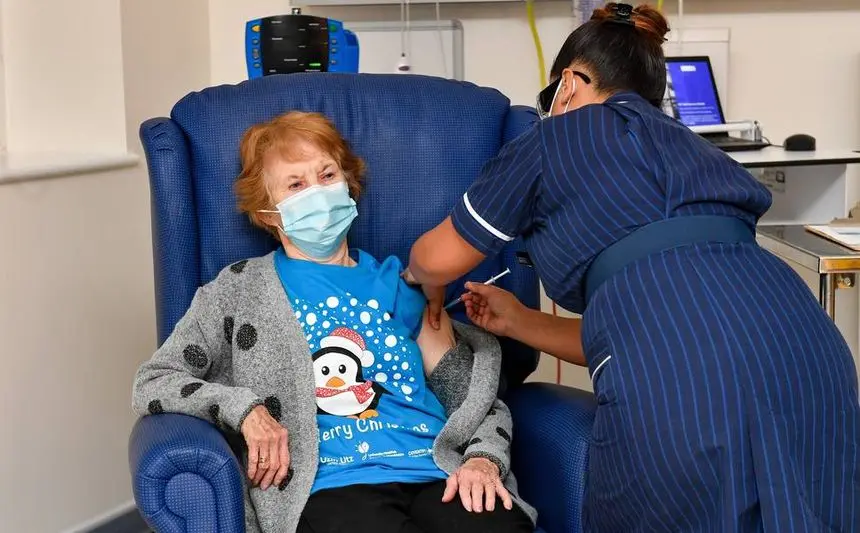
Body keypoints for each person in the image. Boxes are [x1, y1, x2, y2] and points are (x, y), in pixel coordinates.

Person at [404, 3, 860, 532]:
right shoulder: (696, 148)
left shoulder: (552, 140)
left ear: (569, 84)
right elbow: (652, 323)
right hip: (808, 354)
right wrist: (517, 322)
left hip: (683, 383)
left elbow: (436, 257)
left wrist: (422, 284)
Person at [132, 111, 536, 533]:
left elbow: (471, 400)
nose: (318, 193)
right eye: (296, 185)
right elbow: (154, 381)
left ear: (348, 185)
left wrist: (482, 461)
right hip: (333, 484)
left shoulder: (402, 287)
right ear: (269, 213)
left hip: (437, 471)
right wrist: (245, 410)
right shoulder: (238, 290)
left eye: (327, 175)